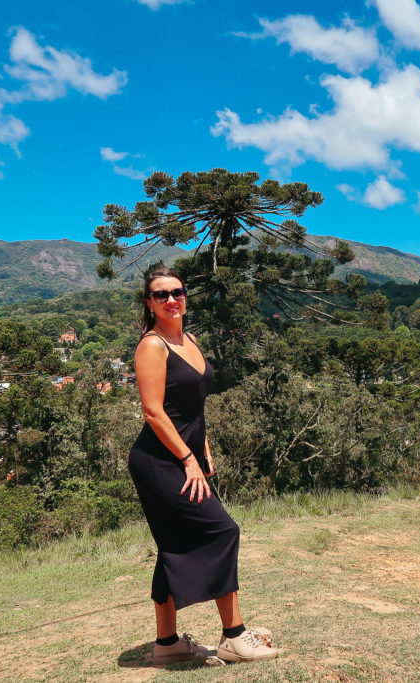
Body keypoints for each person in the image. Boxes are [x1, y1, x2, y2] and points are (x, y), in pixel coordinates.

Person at [127, 267, 279, 666]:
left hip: (184, 456)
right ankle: (234, 636)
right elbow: (154, 413)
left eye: (177, 292)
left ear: (186, 297)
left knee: (173, 548)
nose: (171, 300)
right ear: (149, 303)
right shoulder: (153, 346)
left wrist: (204, 446)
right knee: (222, 530)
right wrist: (188, 459)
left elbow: (192, 406)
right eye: (161, 295)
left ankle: (168, 644)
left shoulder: (189, 340)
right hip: (159, 461)